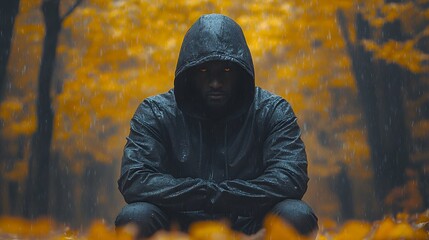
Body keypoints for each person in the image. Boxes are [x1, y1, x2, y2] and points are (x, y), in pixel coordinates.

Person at [115, 13, 318, 238]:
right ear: (190, 74)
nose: (215, 82)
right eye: (204, 71)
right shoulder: (156, 112)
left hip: (251, 224)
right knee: (133, 217)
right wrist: (206, 193)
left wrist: (219, 195)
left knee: (297, 215)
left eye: (227, 71)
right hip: (177, 227)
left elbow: (291, 178)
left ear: (241, 73)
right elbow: (134, 179)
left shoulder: (272, 110)